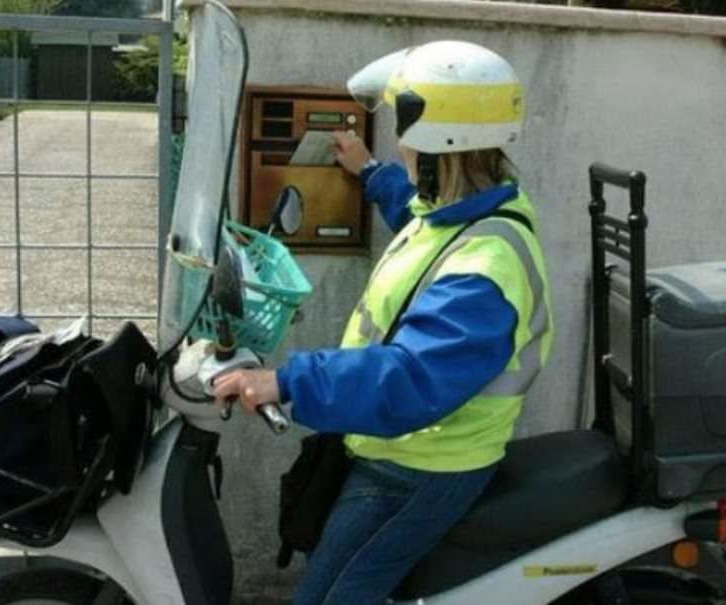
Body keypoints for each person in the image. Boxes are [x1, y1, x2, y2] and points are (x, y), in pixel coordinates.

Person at [214, 40, 553, 604]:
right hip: (397, 450)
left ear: (439, 141)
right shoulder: (473, 213)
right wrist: (371, 173)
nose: (399, 141)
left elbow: (409, 379)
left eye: (405, 126)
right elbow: (419, 220)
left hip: (424, 467)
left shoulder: (486, 273)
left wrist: (286, 381)